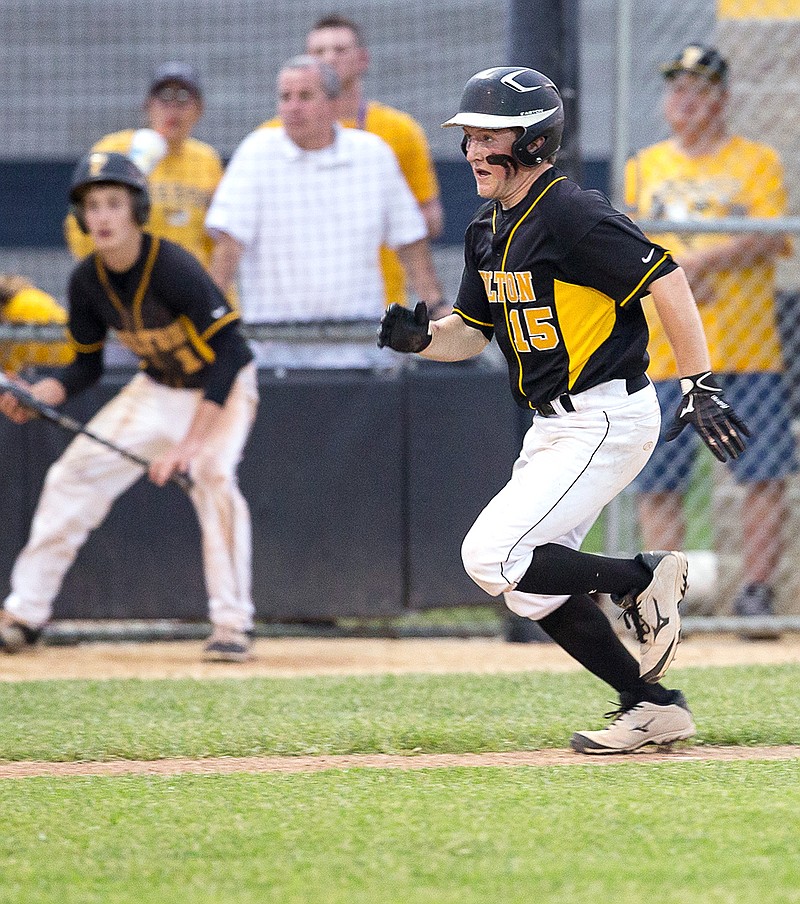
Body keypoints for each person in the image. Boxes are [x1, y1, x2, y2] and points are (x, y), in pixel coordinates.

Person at [379, 66, 749, 755]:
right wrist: (422, 340)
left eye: (486, 136)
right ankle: (652, 706)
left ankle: (644, 578)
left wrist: (698, 380)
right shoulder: (488, 228)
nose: (470, 151)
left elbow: (664, 275)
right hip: (554, 427)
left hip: (605, 416)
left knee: (491, 554)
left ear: (533, 139)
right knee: (530, 587)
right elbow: (469, 332)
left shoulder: (568, 211)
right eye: (467, 138)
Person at [0, 152, 258, 662]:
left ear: (136, 210)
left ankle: (231, 625)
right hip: (157, 390)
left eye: (114, 203)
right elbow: (84, 368)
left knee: (213, 478)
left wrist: (190, 445)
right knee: (71, 476)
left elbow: (232, 351)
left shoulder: (173, 266)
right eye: (92, 205)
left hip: (222, 389)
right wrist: (38, 396)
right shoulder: (85, 281)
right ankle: (24, 614)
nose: (102, 216)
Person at [626, 44, 796, 618]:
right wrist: (673, 280)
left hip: (745, 349)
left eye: (699, 88)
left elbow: (771, 235)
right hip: (666, 351)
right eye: (677, 87)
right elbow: (628, 244)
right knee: (658, 482)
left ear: (721, 98)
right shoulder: (645, 165)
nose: (686, 99)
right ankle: (664, 599)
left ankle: (755, 593)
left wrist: (698, 265)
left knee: (762, 472)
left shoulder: (756, 161)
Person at [206, 55, 445, 370]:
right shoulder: (255, 153)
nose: (292, 106)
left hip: (360, 348)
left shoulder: (373, 155)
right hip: (274, 351)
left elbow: (410, 240)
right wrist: (206, 318)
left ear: (334, 103)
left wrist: (437, 304)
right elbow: (228, 246)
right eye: (285, 97)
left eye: (305, 96)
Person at [261, 14, 446, 315]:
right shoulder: (270, 137)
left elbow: (431, 220)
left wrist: (369, 215)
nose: (329, 58)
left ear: (363, 59)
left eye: (339, 49)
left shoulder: (399, 131)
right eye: (318, 52)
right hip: (292, 306)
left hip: (380, 300)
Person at [64, 62, 224, 273]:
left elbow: (217, 240)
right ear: (148, 105)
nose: (173, 107)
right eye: (164, 97)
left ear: (199, 110)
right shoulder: (114, 150)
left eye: (184, 98)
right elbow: (81, 226)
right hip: (131, 283)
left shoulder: (207, 161)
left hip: (188, 291)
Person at [0, 274, 74, 373]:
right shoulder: (31, 296)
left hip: (58, 365)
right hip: (72, 359)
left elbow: (10, 364)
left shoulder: (19, 307)